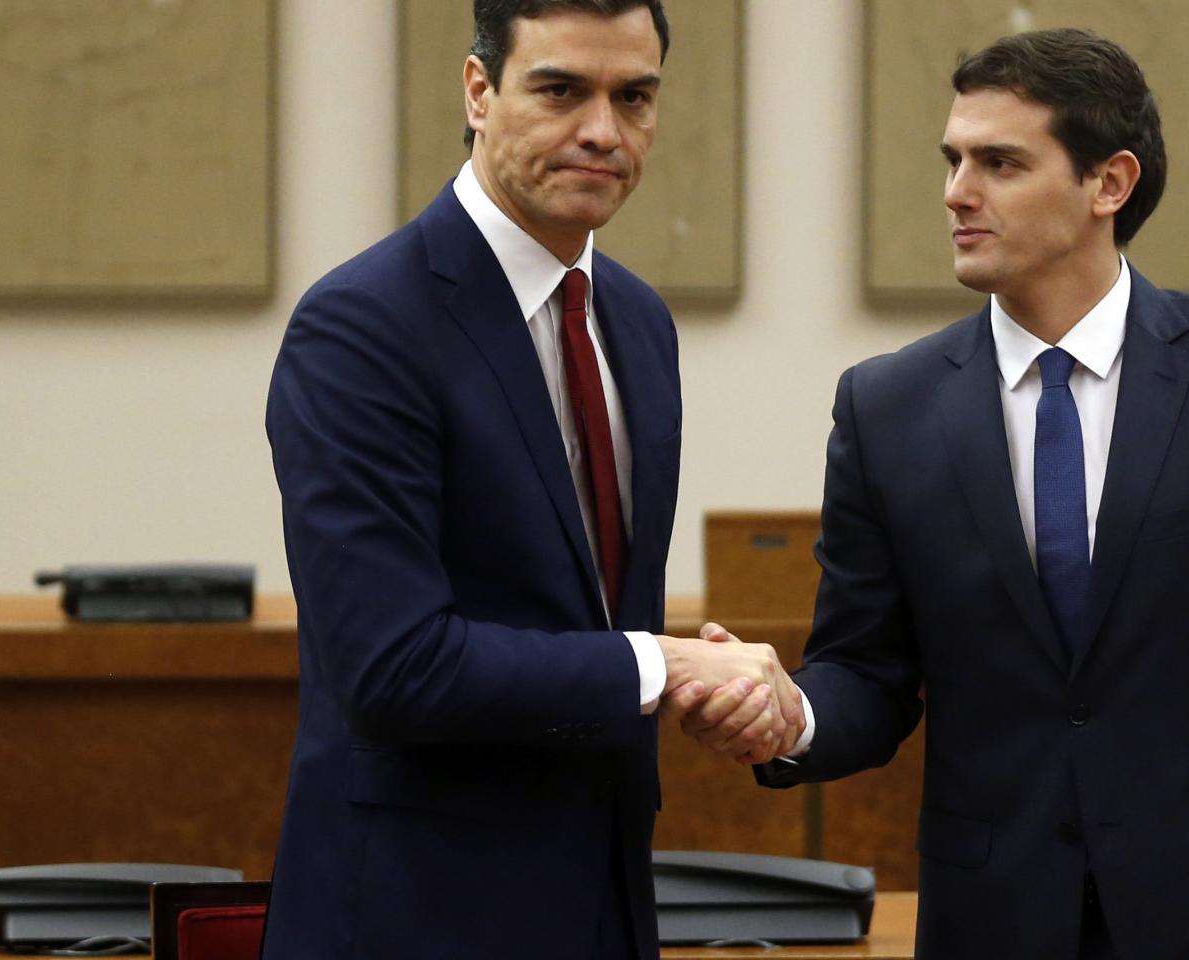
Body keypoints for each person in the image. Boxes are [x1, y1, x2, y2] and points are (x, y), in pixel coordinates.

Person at [669, 28, 1189, 960]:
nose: (957, 191)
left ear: (1109, 184)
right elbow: (868, 673)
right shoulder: (886, 407)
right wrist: (788, 715)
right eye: (953, 159)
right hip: (995, 921)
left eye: (999, 162)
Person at [262, 2, 800, 958]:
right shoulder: (361, 326)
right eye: (560, 90)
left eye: (634, 97)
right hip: (414, 915)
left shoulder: (637, 321)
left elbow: (590, 617)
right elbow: (393, 668)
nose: (602, 130)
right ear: (479, 91)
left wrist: (710, 690)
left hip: (608, 901)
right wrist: (665, 665)